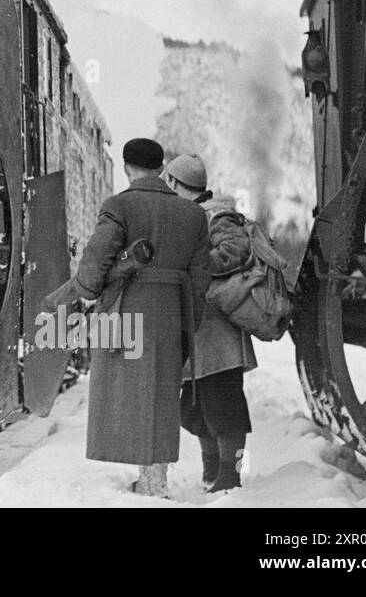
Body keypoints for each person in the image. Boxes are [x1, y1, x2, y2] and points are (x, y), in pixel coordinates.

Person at [41, 137, 210, 497]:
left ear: (126, 167)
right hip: (172, 310)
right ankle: (154, 479)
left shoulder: (119, 205)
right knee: (162, 395)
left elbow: (96, 259)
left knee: (128, 394)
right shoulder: (193, 214)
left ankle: (148, 482)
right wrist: (188, 323)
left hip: (127, 310)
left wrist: (85, 292)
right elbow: (200, 278)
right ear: (162, 168)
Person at [164, 153, 255, 492]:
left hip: (218, 329)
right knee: (196, 407)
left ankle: (232, 477)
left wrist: (194, 268)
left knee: (225, 406)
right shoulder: (195, 214)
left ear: (175, 183)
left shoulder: (216, 215)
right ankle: (212, 472)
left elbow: (236, 250)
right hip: (201, 330)